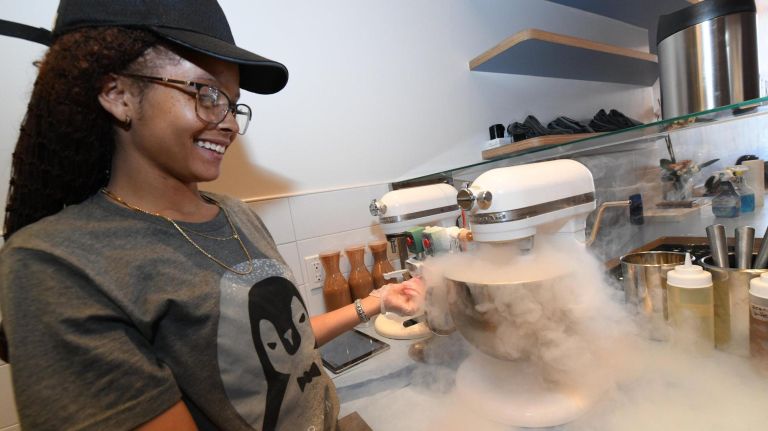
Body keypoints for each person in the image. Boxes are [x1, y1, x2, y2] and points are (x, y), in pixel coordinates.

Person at [0, 1, 424, 430]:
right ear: (117, 94)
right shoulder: (58, 266)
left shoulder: (236, 214)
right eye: (206, 94)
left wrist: (376, 302)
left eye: (233, 104)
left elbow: (275, 346)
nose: (231, 125)